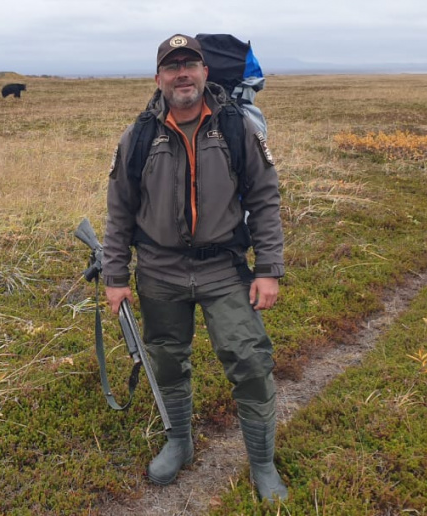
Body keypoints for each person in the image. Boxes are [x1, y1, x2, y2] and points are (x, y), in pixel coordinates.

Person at [102, 34, 288, 502]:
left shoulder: (235, 127)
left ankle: (262, 465)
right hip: (159, 270)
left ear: (205, 73)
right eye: (172, 66)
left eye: (190, 64)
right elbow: (119, 210)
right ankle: (179, 441)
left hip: (223, 267)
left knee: (248, 361)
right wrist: (116, 277)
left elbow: (264, 199)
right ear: (159, 77)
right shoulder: (139, 135)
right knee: (166, 359)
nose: (182, 73)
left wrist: (268, 269)